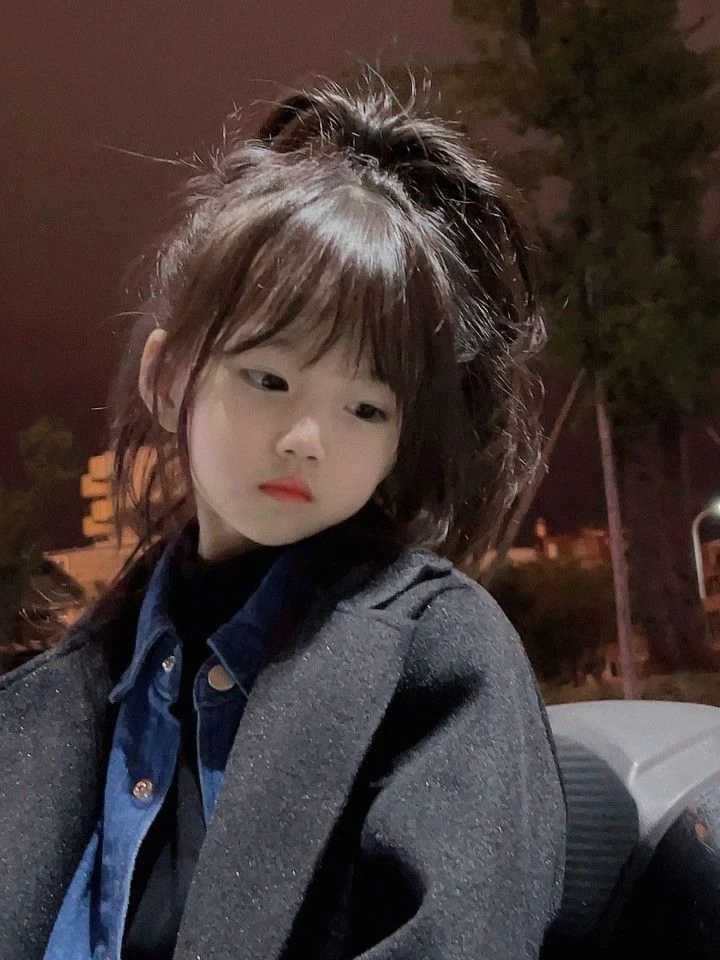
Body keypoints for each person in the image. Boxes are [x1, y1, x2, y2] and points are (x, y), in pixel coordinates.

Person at [0, 76, 566, 960]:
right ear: (167, 379)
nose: (308, 439)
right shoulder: (58, 698)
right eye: (269, 379)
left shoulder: (441, 660)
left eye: (366, 408)